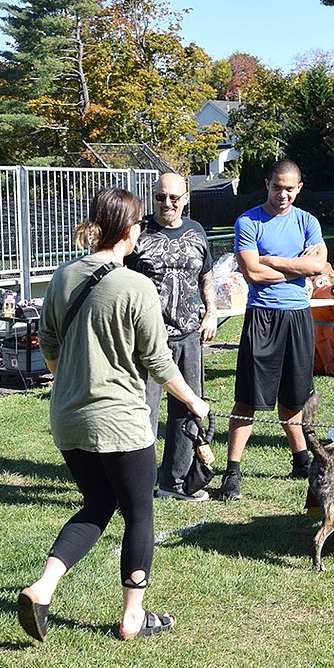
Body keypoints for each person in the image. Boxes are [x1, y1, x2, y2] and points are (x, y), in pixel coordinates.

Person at [19, 188, 210, 642]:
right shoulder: (136, 285)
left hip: (67, 419)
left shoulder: (64, 276)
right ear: (129, 232)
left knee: (99, 504)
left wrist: (73, 378)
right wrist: (195, 401)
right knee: (140, 512)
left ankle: (43, 587)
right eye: (140, 224)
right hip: (121, 422)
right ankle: (133, 617)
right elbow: (161, 363)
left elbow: (47, 343)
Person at [213, 159, 327, 501]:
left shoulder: (307, 221)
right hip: (263, 315)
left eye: (290, 188)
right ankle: (232, 472)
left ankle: (301, 460)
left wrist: (272, 260)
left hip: (297, 316)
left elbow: (319, 265)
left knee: (295, 397)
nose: (283, 194)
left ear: (299, 188)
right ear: (267, 184)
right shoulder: (248, 221)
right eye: (277, 187)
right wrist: (297, 267)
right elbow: (252, 274)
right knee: (248, 398)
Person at [125, 172, 217, 502]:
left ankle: (175, 482)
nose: (167, 203)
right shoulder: (138, 232)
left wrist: (211, 312)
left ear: (186, 198)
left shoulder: (197, 231)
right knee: (143, 412)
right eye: (160, 197)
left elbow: (206, 274)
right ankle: (138, 483)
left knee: (188, 410)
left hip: (189, 336)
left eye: (174, 198)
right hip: (148, 340)